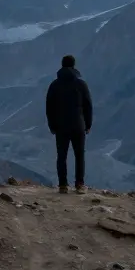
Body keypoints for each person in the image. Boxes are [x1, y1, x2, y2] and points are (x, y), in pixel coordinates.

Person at [45, 54, 93, 194]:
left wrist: (52, 125)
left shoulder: (54, 85)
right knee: (79, 155)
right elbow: (88, 106)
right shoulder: (81, 84)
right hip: (78, 124)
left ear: (62, 65)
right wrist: (88, 125)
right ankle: (79, 184)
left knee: (61, 155)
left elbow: (49, 108)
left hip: (61, 126)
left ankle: (63, 185)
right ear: (74, 65)